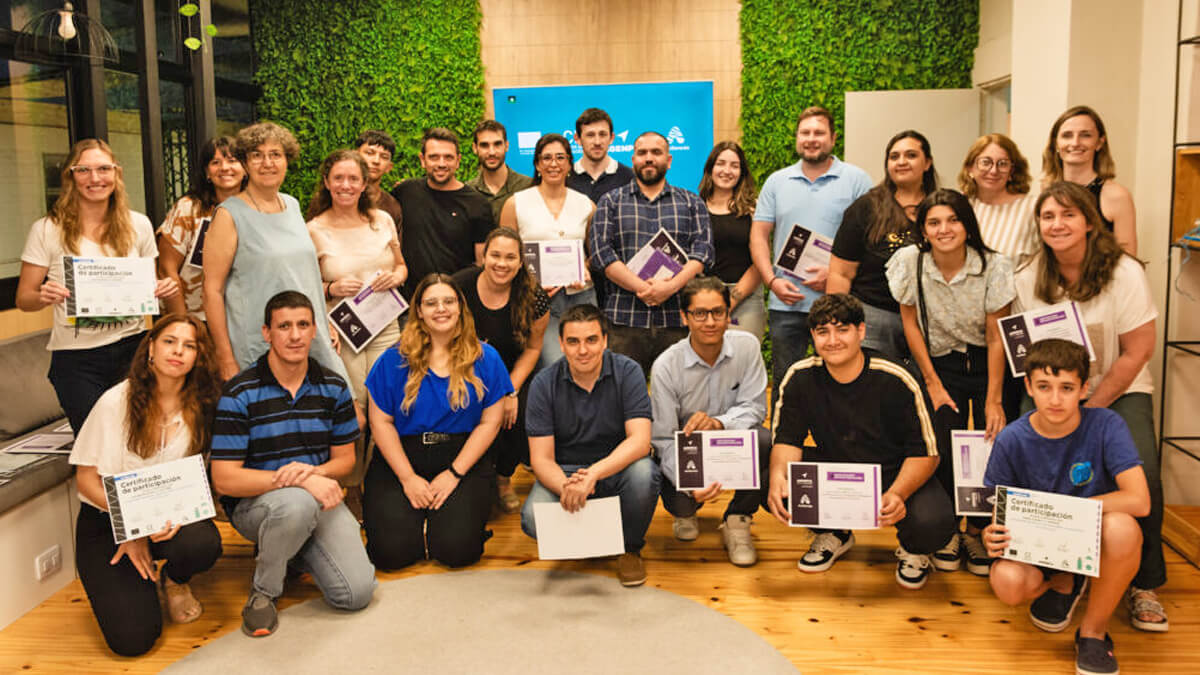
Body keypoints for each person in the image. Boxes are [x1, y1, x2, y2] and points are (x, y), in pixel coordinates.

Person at [1013, 181, 1167, 632]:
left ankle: (1145, 582)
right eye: (1048, 217)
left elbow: (1138, 349)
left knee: (1145, 475)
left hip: (1120, 388)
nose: (1057, 224)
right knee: (1038, 470)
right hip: (1054, 391)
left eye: (1068, 215)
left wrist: (1091, 409)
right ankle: (1062, 571)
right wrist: (1062, 403)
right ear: (1038, 226)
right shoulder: (1027, 276)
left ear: (1088, 222)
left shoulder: (1124, 271)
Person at [211, 291, 375, 638]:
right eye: (284, 326)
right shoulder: (240, 392)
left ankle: (291, 549)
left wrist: (311, 475)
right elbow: (224, 480)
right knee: (296, 504)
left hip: (319, 496)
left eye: (303, 324)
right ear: (266, 333)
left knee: (356, 593)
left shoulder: (332, 386)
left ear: (315, 330)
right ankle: (264, 593)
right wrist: (299, 483)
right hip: (256, 506)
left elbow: (344, 460)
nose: (295, 335)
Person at [983, 339, 1150, 675]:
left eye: (1067, 388)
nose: (1055, 399)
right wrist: (991, 534)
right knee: (1007, 581)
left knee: (1123, 528)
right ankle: (1064, 580)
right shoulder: (1011, 439)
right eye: (1044, 387)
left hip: (1092, 537)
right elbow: (999, 514)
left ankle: (1092, 633)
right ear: (1028, 386)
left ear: (1084, 389)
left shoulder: (1105, 424)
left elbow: (1139, 500)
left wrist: (1070, 513)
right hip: (1040, 545)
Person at [767, 293, 954, 590]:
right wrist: (779, 477)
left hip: (893, 472)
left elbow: (927, 453)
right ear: (813, 335)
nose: (833, 340)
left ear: (861, 331)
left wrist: (899, 494)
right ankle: (835, 533)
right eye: (822, 332)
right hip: (837, 470)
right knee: (776, 482)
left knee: (935, 523)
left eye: (842, 330)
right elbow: (788, 439)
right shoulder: (800, 377)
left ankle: (913, 550)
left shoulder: (897, 377)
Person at [69, 314, 223, 656]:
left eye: (189, 346)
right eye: (169, 341)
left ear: (199, 356)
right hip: (107, 521)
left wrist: (176, 517)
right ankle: (141, 580)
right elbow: (86, 480)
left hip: (169, 517)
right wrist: (133, 530)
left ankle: (176, 580)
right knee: (134, 641)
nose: (178, 351)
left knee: (202, 542)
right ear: (150, 347)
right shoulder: (114, 402)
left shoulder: (205, 406)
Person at [886, 188, 1015, 576]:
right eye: (934, 222)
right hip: (940, 362)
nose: (944, 229)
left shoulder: (994, 265)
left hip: (988, 362)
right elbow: (910, 323)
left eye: (953, 220)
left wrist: (994, 398)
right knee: (943, 443)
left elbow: (997, 336)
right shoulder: (909, 262)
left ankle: (978, 531)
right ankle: (949, 534)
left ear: (967, 225)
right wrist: (932, 381)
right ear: (923, 230)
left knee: (992, 445)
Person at [17, 138, 179, 433]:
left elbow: (148, 282)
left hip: (134, 349)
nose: (95, 178)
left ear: (116, 174)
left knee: (142, 438)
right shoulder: (46, 229)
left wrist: (161, 288)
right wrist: (42, 295)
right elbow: (24, 298)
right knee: (96, 445)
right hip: (77, 360)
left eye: (104, 169)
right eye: (84, 170)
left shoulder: (138, 224)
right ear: (70, 176)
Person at [362, 274, 511, 569]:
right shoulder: (393, 359)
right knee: (392, 554)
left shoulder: (486, 357)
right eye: (431, 303)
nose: (440, 309)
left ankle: (442, 525)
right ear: (418, 310)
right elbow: (381, 424)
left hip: (461, 456)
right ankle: (414, 524)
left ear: (460, 307)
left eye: (448, 301)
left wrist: (454, 474)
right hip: (402, 457)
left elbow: (490, 423)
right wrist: (407, 479)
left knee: (457, 551)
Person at [520, 303, 659, 586]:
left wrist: (594, 474)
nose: (583, 350)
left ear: (605, 341)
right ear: (561, 344)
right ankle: (597, 536)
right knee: (532, 518)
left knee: (645, 473)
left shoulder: (628, 371)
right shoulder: (543, 383)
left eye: (591, 340)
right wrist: (567, 487)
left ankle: (629, 548)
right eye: (573, 342)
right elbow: (541, 459)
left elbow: (640, 441)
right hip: (566, 471)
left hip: (616, 467)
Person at [201, 121, 350, 386]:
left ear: (286, 160)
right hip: (258, 344)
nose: (266, 163)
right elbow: (211, 291)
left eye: (275, 155)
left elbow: (302, 273)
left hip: (306, 338)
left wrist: (324, 323)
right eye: (256, 155)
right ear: (245, 164)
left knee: (334, 417)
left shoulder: (291, 205)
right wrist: (225, 357)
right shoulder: (228, 215)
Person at [749, 107, 872, 394]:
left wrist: (835, 274)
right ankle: (786, 437)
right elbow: (758, 235)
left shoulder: (857, 180)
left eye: (819, 132)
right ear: (796, 138)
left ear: (833, 138)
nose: (811, 139)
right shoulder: (777, 182)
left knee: (841, 382)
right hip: (786, 303)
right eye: (805, 133)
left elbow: (870, 239)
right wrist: (772, 281)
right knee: (786, 383)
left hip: (839, 302)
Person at [306, 149, 406, 500]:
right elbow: (304, 288)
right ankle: (349, 491)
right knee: (354, 412)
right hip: (341, 333)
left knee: (386, 405)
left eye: (353, 179)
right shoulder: (313, 230)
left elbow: (402, 267)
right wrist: (331, 288)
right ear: (327, 182)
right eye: (339, 178)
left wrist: (395, 277)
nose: (346, 185)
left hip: (385, 326)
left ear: (365, 184)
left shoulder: (382, 220)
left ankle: (380, 489)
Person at [650, 276, 769, 566]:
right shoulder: (666, 366)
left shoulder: (747, 346)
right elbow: (663, 440)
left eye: (718, 312)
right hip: (687, 455)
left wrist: (719, 423)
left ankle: (737, 520)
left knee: (763, 440)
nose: (710, 322)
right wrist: (690, 486)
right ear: (685, 317)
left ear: (729, 314)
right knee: (679, 500)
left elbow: (755, 408)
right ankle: (685, 511)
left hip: (730, 441)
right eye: (699, 313)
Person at [589, 131, 714, 375]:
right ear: (633, 159)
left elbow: (704, 252)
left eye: (656, 152)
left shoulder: (691, 202)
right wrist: (641, 287)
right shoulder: (610, 202)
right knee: (622, 397)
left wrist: (669, 287)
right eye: (642, 153)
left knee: (680, 397)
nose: (649, 158)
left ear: (668, 160)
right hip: (624, 321)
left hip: (677, 320)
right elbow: (601, 254)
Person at [452, 228, 550, 512]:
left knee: (522, 411)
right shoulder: (459, 286)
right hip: (464, 369)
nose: (502, 263)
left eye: (510, 257)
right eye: (495, 255)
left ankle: (504, 477)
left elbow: (532, 349)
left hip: (511, 371)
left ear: (521, 262)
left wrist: (510, 390)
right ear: (484, 256)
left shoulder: (534, 296)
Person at [828, 130, 937, 361]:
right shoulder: (866, 207)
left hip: (930, 318)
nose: (901, 162)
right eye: (894, 156)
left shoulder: (942, 207)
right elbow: (840, 273)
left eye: (911, 155)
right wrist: (836, 324)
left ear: (927, 163)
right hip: (875, 317)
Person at [500, 133, 596, 368]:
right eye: (547, 158)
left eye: (561, 157)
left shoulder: (586, 204)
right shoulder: (516, 203)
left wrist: (586, 268)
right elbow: (504, 254)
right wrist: (528, 284)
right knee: (552, 366)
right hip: (536, 299)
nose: (554, 164)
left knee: (587, 363)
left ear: (569, 164)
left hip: (580, 296)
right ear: (537, 164)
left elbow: (595, 253)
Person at [391, 127, 494, 300]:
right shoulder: (405, 192)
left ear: (458, 161)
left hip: (457, 301)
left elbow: (481, 264)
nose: (441, 163)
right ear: (422, 160)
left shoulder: (478, 203)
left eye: (448, 157)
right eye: (434, 157)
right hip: (411, 303)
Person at [157, 135, 246, 320]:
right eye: (216, 162)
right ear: (207, 172)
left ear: (245, 169)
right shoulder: (189, 209)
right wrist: (183, 324)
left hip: (243, 318)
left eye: (232, 161)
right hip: (197, 317)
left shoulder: (256, 210)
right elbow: (167, 269)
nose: (225, 168)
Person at [1042, 105, 1137, 256]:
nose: (1075, 143)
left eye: (1085, 135)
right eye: (1067, 135)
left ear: (1099, 143)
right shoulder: (1046, 191)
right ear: (1056, 144)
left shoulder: (1117, 196)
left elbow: (1128, 260)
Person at [698, 141, 764, 340]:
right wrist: (713, 301)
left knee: (743, 358)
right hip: (704, 296)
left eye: (734, 166)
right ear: (710, 168)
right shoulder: (695, 207)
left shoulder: (754, 209)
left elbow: (760, 261)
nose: (727, 171)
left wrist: (730, 301)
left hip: (746, 298)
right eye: (721, 164)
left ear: (742, 172)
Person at [958, 133, 1040, 265]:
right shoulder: (960, 205)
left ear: (1012, 171)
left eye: (1002, 164)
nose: (993, 171)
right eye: (985, 162)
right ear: (970, 167)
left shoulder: (1032, 207)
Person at [467, 119, 533, 223]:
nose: (492, 152)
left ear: (506, 146)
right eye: (484, 145)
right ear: (475, 148)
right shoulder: (468, 192)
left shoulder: (528, 187)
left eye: (497, 144)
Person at [566, 107, 636, 203]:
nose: (597, 142)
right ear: (577, 139)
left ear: (611, 138)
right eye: (590, 135)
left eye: (602, 134)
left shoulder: (630, 177)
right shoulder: (565, 177)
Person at [353, 129, 404, 230]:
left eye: (384, 157)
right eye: (369, 153)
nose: (376, 161)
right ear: (355, 156)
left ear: (389, 167)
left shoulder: (392, 207)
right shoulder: (338, 197)